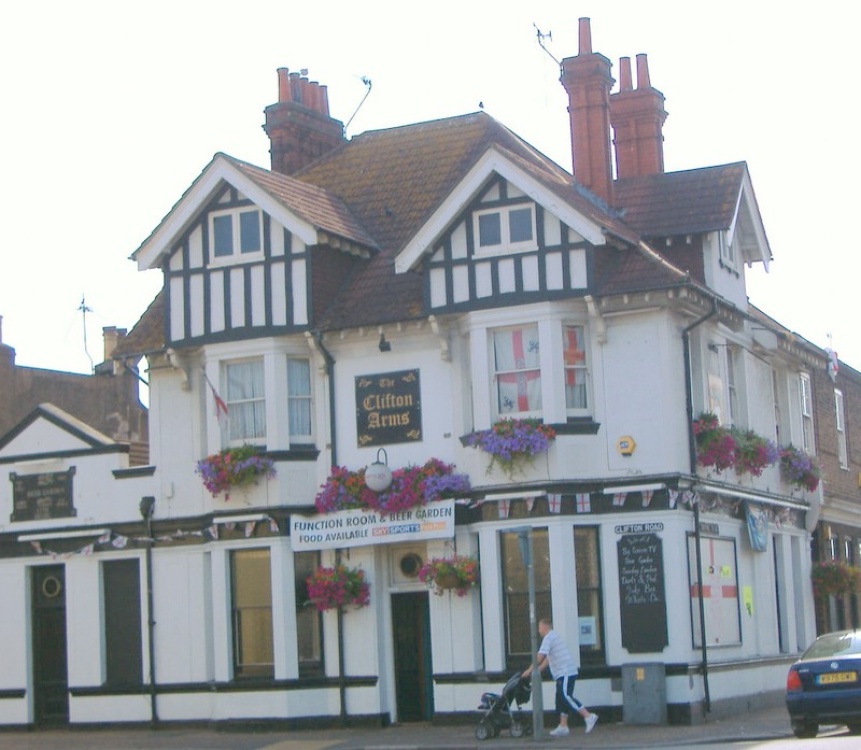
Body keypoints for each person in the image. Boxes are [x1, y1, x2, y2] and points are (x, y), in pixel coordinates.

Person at [522, 618, 598, 737]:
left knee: (565, 696)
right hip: (561, 673)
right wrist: (538, 670)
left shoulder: (549, 637)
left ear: (545, 627)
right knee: (560, 700)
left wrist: (529, 670)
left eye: (539, 627)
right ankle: (563, 726)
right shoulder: (553, 637)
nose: (538, 630)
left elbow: (540, 656)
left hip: (566, 672)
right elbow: (548, 659)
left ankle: (588, 716)